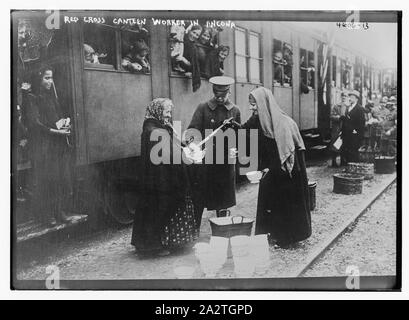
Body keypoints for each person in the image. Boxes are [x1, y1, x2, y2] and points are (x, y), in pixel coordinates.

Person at [231, 87, 311, 247]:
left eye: (254, 104)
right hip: (270, 169)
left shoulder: (284, 123)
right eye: (250, 104)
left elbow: (289, 154)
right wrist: (231, 124)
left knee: (285, 203)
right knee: (268, 200)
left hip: (288, 172)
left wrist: (271, 168)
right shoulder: (257, 119)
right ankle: (270, 233)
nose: (251, 108)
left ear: (263, 104)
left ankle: (288, 237)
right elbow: (244, 132)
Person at [131, 98, 199, 257]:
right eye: (166, 112)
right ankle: (151, 247)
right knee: (158, 210)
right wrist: (187, 155)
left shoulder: (154, 126)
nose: (169, 116)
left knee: (150, 211)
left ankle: (146, 244)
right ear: (157, 111)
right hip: (160, 180)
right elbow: (169, 154)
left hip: (156, 178)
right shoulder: (154, 130)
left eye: (169, 112)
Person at [186, 76, 241, 225]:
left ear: (229, 92)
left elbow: (239, 137)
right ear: (213, 91)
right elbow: (192, 131)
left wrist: (236, 150)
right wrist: (193, 145)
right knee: (199, 200)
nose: (220, 98)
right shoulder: (203, 108)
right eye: (217, 95)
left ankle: (222, 232)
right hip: (205, 164)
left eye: (223, 95)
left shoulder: (235, 110)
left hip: (225, 165)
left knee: (223, 202)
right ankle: (193, 234)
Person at [25, 66, 73, 226]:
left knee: (58, 179)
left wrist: (65, 124)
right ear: (39, 79)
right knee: (46, 180)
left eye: (51, 78)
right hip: (43, 146)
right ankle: (46, 216)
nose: (50, 81)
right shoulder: (32, 98)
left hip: (56, 145)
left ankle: (58, 212)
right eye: (46, 78)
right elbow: (34, 124)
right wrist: (56, 132)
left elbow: (56, 118)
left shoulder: (51, 97)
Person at [341, 90, 366, 163]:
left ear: (356, 99)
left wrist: (356, 131)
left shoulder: (359, 108)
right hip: (347, 133)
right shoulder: (348, 107)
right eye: (350, 97)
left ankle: (354, 167)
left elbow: (362, 122)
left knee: (354, 151)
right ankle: (349, 167)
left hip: (354, 134)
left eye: (352, 97)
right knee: (347, 150)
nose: (350, 99)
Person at [330, 91, 349, 166]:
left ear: (347, 97)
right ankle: (334, 161)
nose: (344, 97)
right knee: (335, 144)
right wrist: (339, 117)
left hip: (345, 127)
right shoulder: (336, 106)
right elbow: (331, 116)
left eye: (345, 96)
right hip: (337, 128)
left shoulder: (348, 106)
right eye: (342, 96)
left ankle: (343, 161)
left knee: (344, 144)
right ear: (341, 97)